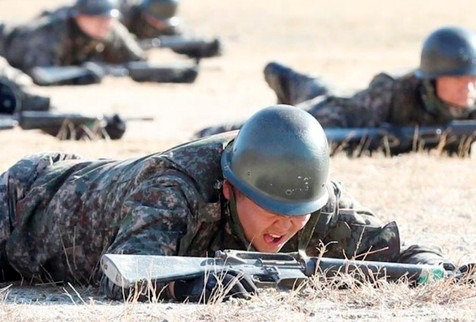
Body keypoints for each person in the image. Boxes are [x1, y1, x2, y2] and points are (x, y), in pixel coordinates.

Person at [0, 105, 456, 302]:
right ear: (231, 187)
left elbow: (393, 251)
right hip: (25, 203)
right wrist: (189, 286)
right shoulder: (173, 186)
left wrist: (433, 267)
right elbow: (124, 271)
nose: (285, 225)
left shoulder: (304, 196)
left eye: (298, 214)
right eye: (269, 208)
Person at [196, 26, 476, 139]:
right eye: (459, 80)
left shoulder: (470, 102)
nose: (469, 88)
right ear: (432, 79)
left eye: (473, 79)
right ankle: (215, 129)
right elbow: (347, 133)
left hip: (340, 98)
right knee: (290, 127)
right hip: (341, 109)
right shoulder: (392, 91)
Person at [0, 0, 145, 85]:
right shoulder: (51, 31)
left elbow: (138, 62)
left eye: (108, 19)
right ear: (80, 17)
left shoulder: (110, 29)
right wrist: (82, 73)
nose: (105, 25)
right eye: (98, 19)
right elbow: (41, 73)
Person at [118, 0, 222, 59]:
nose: (159, 24)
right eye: (155, 19)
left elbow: (183, 43)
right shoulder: (127, 15)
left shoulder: (167, 25)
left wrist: (207, 48)